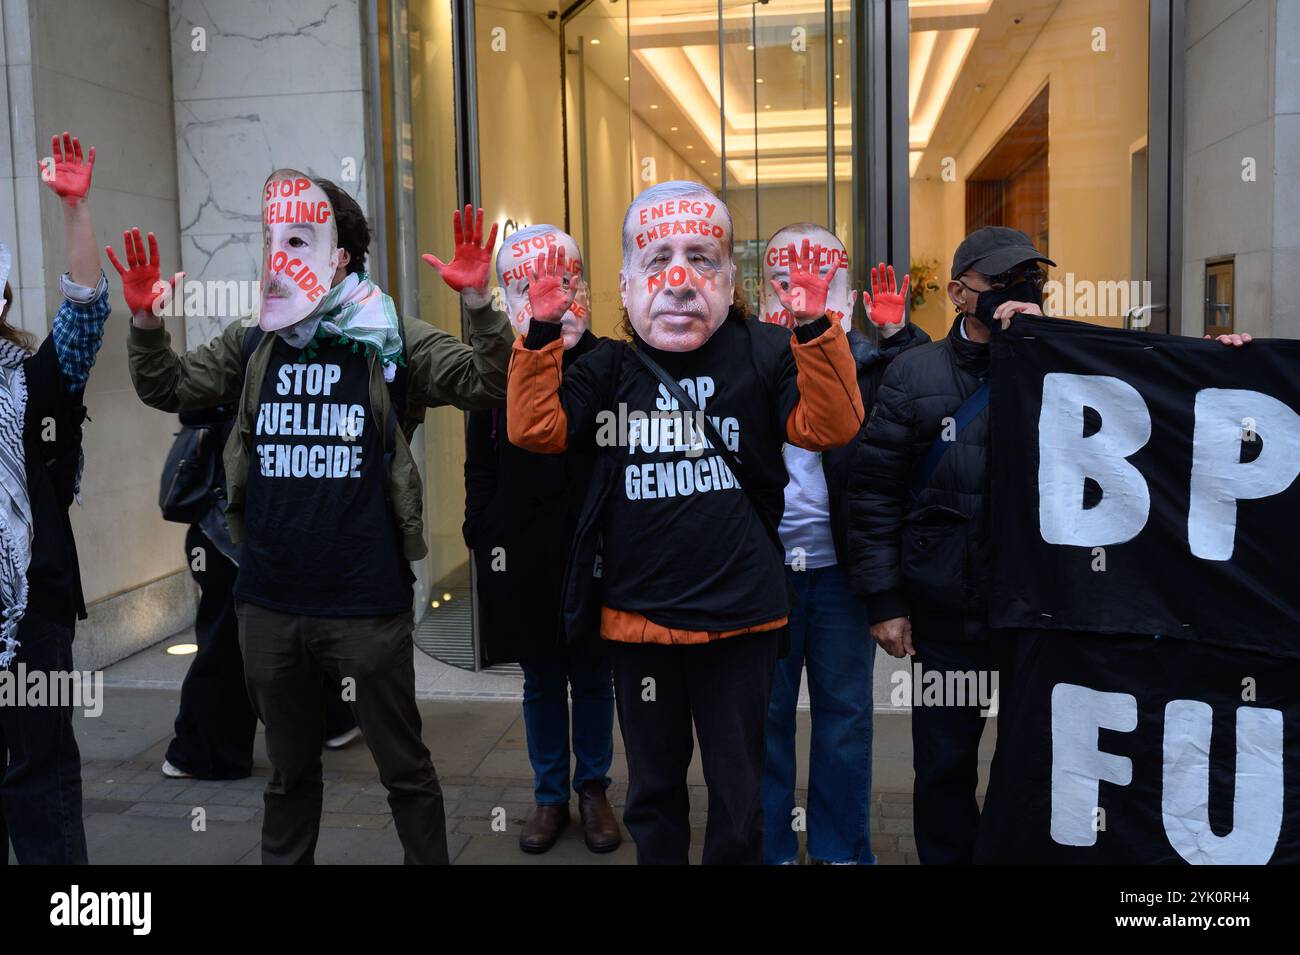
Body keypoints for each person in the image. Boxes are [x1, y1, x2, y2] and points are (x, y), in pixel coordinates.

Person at [116, 176, 513, 864]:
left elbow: (489, 381)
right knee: (290, 775)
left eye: (298, 240)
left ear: (343, 255)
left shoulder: (386, 336)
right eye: (272, 240)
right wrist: (148, 323)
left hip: (365, 603)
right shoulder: (254, 342)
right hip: (268, 601)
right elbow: (168, 386)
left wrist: (479, 303)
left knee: (404, 769)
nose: (279, 257)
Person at [846, 225, 1251, 864]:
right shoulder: (912, 374)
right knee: (945, 762)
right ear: (958, 293)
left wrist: (1221, 365)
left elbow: (1163, 388)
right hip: (950, 609)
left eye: (1031, 280)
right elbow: (873, 494)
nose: (1021, 292)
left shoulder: (1078, 361)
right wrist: (885, 600)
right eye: (1002, 282)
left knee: (1043, 758)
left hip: (1049, 608)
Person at [507, 180, 864, 864]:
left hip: (742, 623)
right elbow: (535, 429)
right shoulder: (610, 366)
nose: (679, 279)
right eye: (657, 258)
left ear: (732, 279)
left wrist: (817, 329)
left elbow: (834, 422)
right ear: (625, 281)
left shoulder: (763, 350)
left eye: (702, 258)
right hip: (641, 622)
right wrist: (542, 333)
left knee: (740, 797)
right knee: (654, 796)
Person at [758, 222, 928, 865]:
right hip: (764, 573)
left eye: (821, 279)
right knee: (764, 723)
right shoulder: (749, 357)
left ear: (844, 288)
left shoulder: (872, 359)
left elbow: (929, 399)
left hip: (839, 573)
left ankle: (838, 853)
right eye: (786, 278)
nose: (802, 290)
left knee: (844, 721)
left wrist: (897, 336)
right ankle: (771, 851)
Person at [462, 224, 620, 855]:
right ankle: (551, 795)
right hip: (523, 544)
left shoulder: (607, 360)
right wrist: (481, 524)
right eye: (529, 285)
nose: (549, 294)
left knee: (593, 673)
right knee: (540, 677)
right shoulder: (500, 366)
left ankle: (594, 790)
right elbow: (480, 458)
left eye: (560, 281)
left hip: (593, 543)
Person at [0, 132, 110, 864]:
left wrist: (76, 212)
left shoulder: (34, 378)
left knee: (39, 777)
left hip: (29, 611)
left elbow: (85, 314)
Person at [158, 405, 360, 782]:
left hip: (226, 541)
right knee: (237, 643)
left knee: (240, 642)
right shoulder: (253, 393)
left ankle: (209, 751)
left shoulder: (240, 391)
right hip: (231, 544)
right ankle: (206, 751)